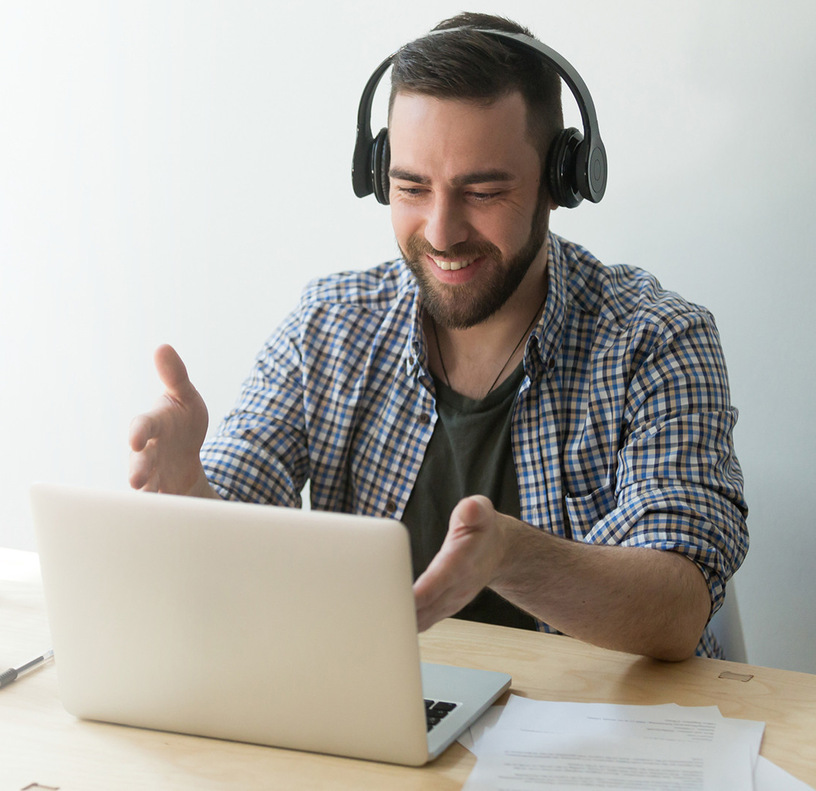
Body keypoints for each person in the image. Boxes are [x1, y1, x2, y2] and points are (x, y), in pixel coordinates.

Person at [129, 12, 748, 662]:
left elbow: (678, 608)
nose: (442, 230)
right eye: (411, 187)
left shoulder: (656, 340)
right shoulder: (331, 326)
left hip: (600, 741)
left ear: (563, 182)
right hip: (385, 717)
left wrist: (512, 555)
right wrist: (190, 488)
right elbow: (238, 530)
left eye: (483, 191)